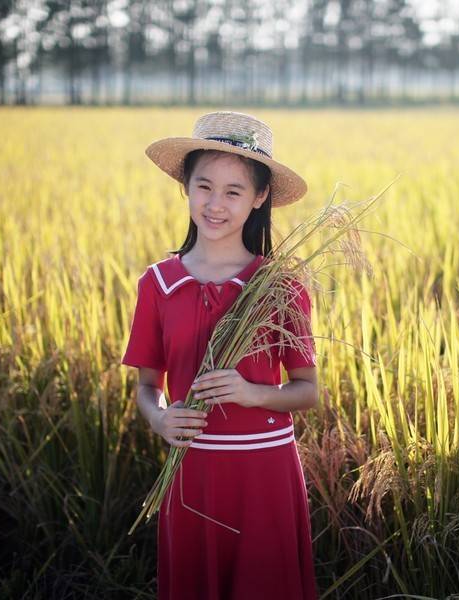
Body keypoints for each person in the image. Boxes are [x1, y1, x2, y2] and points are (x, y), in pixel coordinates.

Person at [121, 111, 319, 599]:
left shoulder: (278, 286)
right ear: (185, 187)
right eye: (204, 187)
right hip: (193, 475)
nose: (215, 204)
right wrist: (160, 419)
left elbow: (308, 391)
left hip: (263, 474)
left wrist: (252, 393)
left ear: (259, 197)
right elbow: (147, 387)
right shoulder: (158, 284)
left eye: (233, 192)